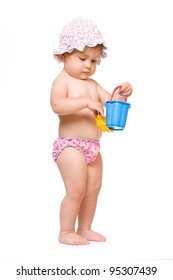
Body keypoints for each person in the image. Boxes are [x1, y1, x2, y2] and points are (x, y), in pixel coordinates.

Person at [51, 18, 132, 245]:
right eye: (83, 58)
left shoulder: (93, 85)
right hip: (70, 145)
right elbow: (57, 105)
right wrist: (86, 102)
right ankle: (66, 231)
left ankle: (84, 228)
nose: (89, 65)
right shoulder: (63, 81)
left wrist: (123, 92)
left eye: (94, 60)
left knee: (93, 189)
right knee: (76, 189)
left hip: (93, 147)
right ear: (64, 55)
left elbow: (112, 102)